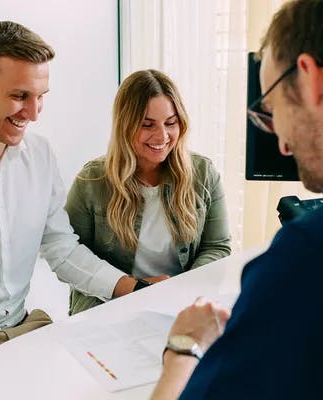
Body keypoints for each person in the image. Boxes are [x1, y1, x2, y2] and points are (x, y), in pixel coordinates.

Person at [0, 21, 149, 400]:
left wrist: (134, 288)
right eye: (19, 96)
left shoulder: (39, 155)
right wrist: (7, 370)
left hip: (22, 332)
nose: (34, 112)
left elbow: (62, 249)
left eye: (41, 95)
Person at [151, 1, 323, 399]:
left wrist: (183, 346)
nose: (281, 144)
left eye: (271, 110)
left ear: (311, 79)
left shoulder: (305, 256)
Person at [65, 69, 231, 315]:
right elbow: (71, 257)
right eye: (147, 125)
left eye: (171, 123)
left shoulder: (204, 173)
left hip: (179, 304)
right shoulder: (91, 181)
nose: (162, 136)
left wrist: (181, 291)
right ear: (125, 125)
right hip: (108, 306)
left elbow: (217, 247)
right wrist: (137, 290)